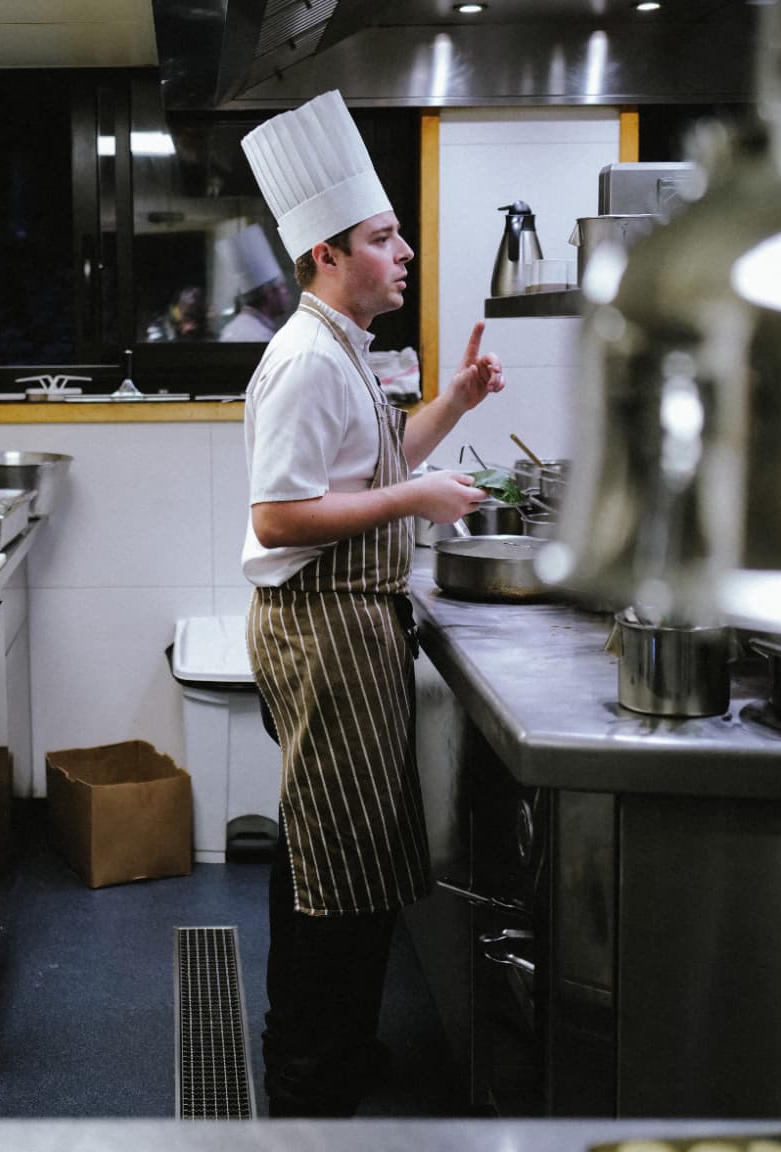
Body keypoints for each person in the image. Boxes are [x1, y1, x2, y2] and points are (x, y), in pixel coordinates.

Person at [237, 89, 504, 1117]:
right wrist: (416, 499)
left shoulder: (344, 345)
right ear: (325, 255)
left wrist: (454, 404)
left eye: (397, 235)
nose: (403, 253)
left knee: (329, 852)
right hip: (322, 629)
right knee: (331, 870)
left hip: (351, 625)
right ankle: (310, 1082)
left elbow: (372, 465)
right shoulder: (303, 361)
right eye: (383, 238)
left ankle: (324, 1047)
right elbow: (278, 517)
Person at [217, 223, 293, 342]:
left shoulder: (235, 328)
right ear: (269, 294)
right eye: (282, 287)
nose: (287, 293)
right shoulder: (257, 337)